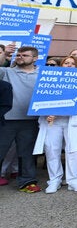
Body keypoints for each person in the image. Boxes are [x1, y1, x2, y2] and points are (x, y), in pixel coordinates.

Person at [33, 56, 77, 193]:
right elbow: (42, 98)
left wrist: (72, 109)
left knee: (75, 151)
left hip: (74, 121)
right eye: (66, 63)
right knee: (52, 150)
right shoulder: (51, 80)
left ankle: (74, 180)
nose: (69, 65)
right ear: (61, 65)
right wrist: (46, 112)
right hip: (53, 121)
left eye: (73, 63)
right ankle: (54, 180)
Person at [0, 46, 42, 192]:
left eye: (24, 55)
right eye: (18, 55)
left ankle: (27, 182)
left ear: (35, 58)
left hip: (31, 121)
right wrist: (4, 54)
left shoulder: (42, 75)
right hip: (6, 120)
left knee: (26, 153)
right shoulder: (7, 72)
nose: (20, 57)